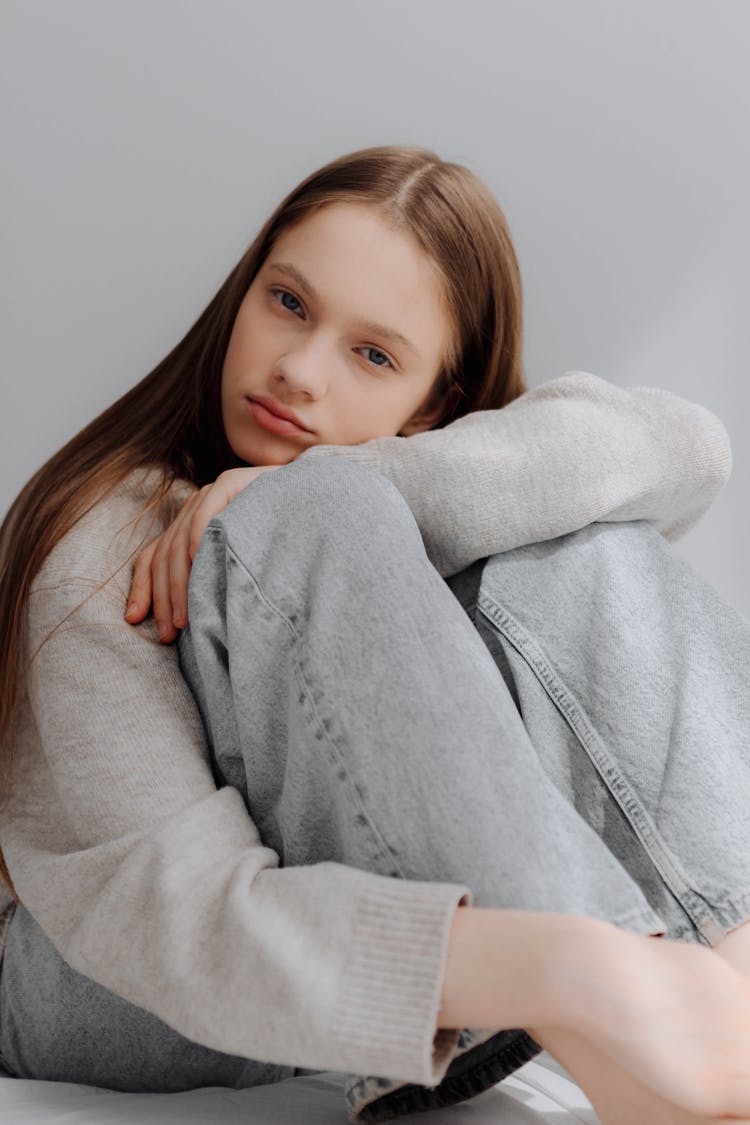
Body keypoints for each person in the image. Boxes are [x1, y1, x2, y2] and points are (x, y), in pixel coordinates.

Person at [0, 144, 748, 1125]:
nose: (297, 372)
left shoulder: (378, 507)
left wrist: (370, 477)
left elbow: (688, 449)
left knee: (588, 548)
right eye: (289, 303)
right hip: (100, 958)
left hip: (337, 914)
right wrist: (570, 965)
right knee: (307, 515)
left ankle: (729, 982)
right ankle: (630, 1031)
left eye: (373, 354)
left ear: (435, 405)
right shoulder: (111, 534)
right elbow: (170, 908)